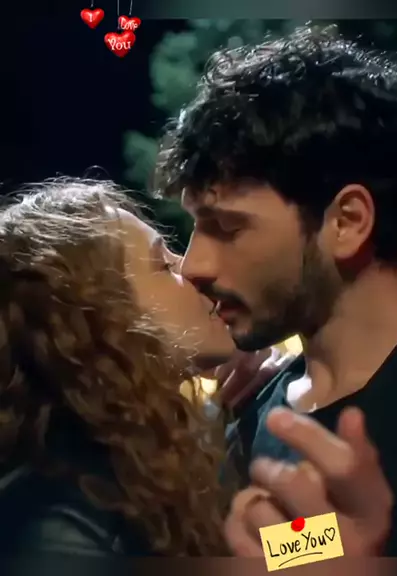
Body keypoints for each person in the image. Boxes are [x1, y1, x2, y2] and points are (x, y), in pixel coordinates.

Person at [155, 24, 397, 556]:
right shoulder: (251, 417)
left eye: (227, 227)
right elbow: (286, 553)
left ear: (347, 222)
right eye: (194, 226)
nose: (192, 265)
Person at [0, 177, 237, 559]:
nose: (192, 268)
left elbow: (246, 553)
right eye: (163, 264)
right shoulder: (58, 526)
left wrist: (335, 535)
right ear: (98, 317)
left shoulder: (148, 457)